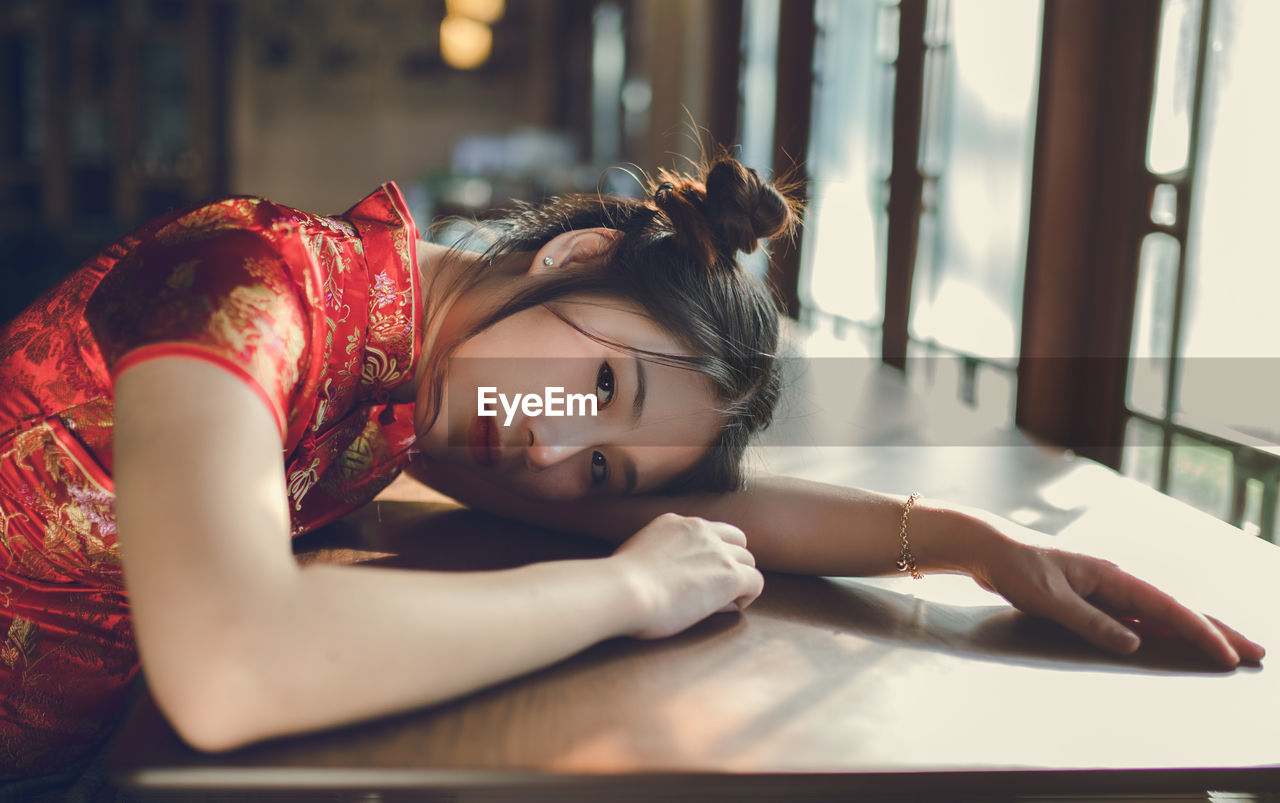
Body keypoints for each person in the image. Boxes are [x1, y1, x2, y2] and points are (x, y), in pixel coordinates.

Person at [0, 155, 1263, 782]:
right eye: (598, 384)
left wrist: (979, 545)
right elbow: (230, 667)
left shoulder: (426, 365)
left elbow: (712, 508)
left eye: (599, 465)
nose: (546, 442)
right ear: (571, 256)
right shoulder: (249, 290)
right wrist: (628, 592)